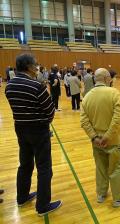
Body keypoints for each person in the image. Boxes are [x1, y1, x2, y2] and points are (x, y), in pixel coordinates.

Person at [5, 54, 62, 216]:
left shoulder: (9, 85)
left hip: (20, 129)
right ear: (29, 67)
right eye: (35, 65)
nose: (37, 67)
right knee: (44, 168)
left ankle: (22, 197)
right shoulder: (36, 86)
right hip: (38, 130)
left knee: (25, 164)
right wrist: (44, 121)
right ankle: (43, 206)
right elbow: (50, 111)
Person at [80, 68, 120, 208]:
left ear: (95, 79)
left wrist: (94, 137)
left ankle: (101, 194)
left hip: (97, 142)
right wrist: (107, 136)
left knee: (101, 167)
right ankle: (118, 199)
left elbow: (84, 121)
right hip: (114, 140)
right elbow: (117, 118)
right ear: (108, 78)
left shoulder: (87, 96)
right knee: (117, 168)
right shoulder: (114, 93)